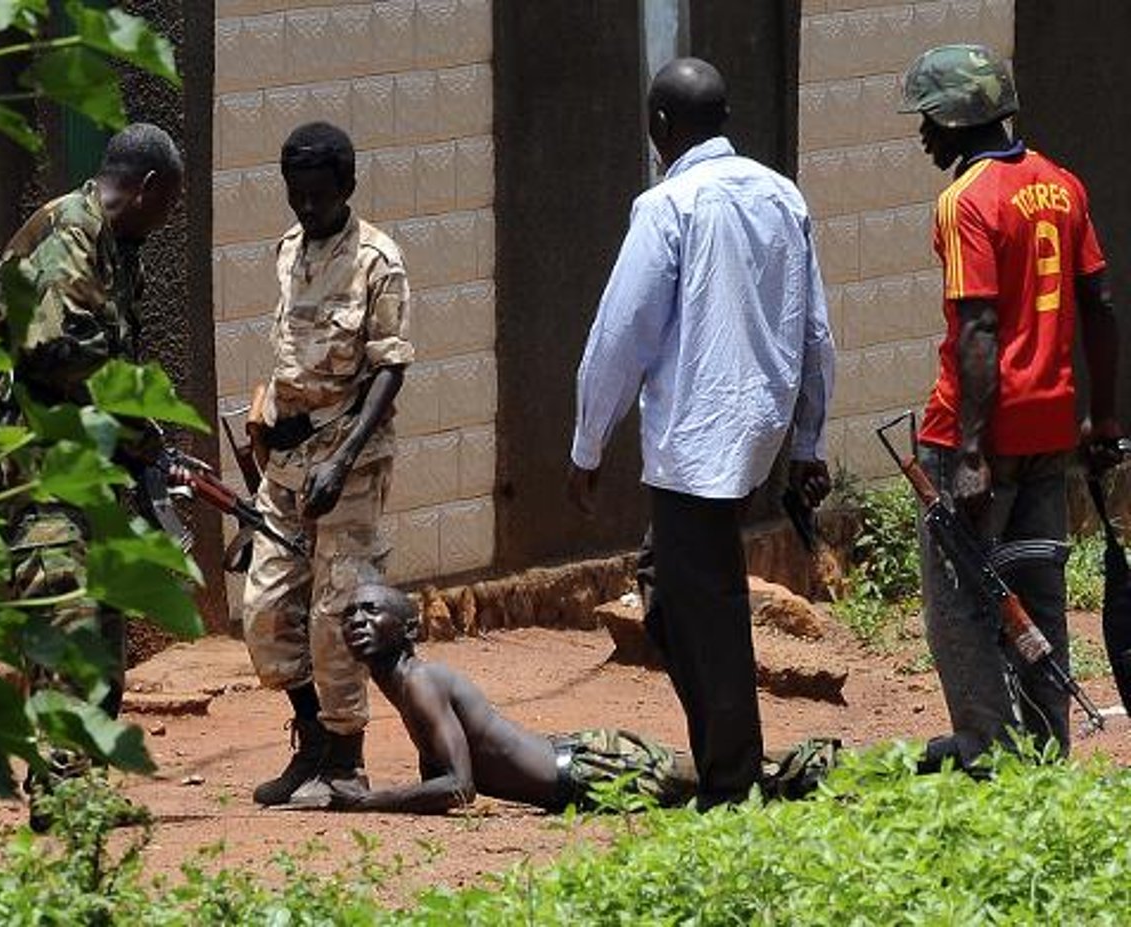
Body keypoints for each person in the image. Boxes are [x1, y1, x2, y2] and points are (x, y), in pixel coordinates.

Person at [566, 58, 836, 811]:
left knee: (703, 606)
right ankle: (727, 754)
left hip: (696, 439)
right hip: (755, 430)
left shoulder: (667, 205)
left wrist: (587, 446)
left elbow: (619, 334)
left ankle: (730, 780)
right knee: (672, 587)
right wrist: (807, 440)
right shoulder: (782, 196)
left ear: (660, 127)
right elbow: (816, 329)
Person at [899, 45, 1122, 769]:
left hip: (977, 437)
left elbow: (978, 325)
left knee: (960, 605)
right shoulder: (1061, 185)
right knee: (1036, 587)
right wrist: (1104, 415)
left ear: (959, 115)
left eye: (929, 119)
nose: (923, 135)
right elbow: (1099, 304)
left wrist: (966, 451)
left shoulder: (967, 200)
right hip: (1048, 429)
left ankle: (985, 752)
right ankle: (1044, 747)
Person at [0, 122, 184, 825]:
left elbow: (110, 358)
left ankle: (80, 784)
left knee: (101, 624)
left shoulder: (119, 247)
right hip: (30, 461)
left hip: (79, 462)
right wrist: (135, 426)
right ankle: (60, 789)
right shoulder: (70, 231)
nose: (167, 221)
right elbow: (54, 352)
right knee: (64, 607)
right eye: (169, 205)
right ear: (148, 187)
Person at [242, 122, 414, 807]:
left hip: (349, 463)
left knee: (333, 613)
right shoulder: (287, 250)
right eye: (294, 194)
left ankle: (346, 761)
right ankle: (309, 739)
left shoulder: (378, 261)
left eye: (316, 195)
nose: (305, 208)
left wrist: (340, 461)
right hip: (284, 464)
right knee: (264, 609)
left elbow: (388, 370)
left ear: (346, 185)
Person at [303, 583, 699, 814]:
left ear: (409, 628)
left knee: (734, 779)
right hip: (577, 760)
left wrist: (369, 802)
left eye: (371, 610)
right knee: (726, 774)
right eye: (349, 614)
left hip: (591, 772)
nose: (356, 620)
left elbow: (459, 786)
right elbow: (437, 776)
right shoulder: (409, 684)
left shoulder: (421, 682)